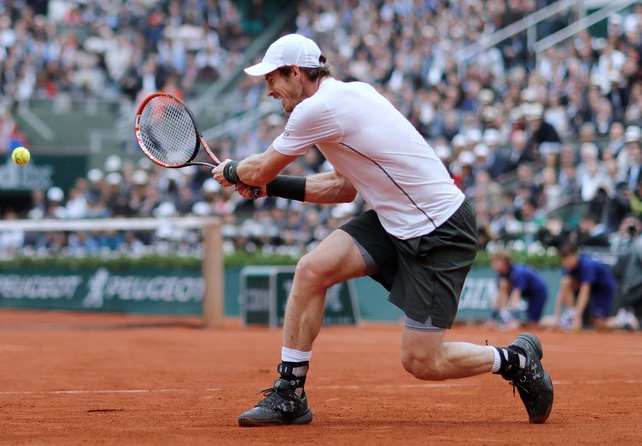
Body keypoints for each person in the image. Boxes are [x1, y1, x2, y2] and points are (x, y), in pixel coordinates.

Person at [211, 34, 553, 427]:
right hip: (394, 220)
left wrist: (238, 171)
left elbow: (259, 168)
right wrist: (269, 186)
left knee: (422, 362)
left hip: (440, 228)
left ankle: (515, 359)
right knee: (312, 269)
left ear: (295, 72)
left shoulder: (316, 110)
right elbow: (343, 188)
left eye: (272, 78)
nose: (268, 90)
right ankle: (290, 394)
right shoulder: (348, 95)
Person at [553, 242, 617, 331]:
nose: (565, 263)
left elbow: (584, 292)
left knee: (600, 324)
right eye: (563, 260)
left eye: (567, 259)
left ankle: (624, 320)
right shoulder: (567, 267)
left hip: (603, 288)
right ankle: (571, 314)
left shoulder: (587, 265)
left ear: (575, 255)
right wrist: (556, 316)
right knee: (565, 282)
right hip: (592, 287)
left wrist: (577, 317)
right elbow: (562, 290)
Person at [489, 250, 548, 329]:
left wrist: (515, 320)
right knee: (503, 284)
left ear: (503, 262)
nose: (493, 265)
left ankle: (553, 323)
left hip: (537, 292)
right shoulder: (501, 275)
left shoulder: (518, 273)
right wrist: (492, 319)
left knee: (533, 325)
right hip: (526, 292)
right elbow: (499, 296)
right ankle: (506, 317)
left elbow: (515, 297)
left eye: (495, 262)